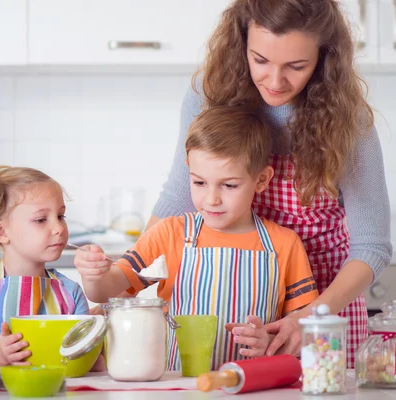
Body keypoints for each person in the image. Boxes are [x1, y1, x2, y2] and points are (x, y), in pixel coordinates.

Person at [148, 0, 392, 368]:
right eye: (260, 60)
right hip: (238, 305)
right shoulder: (208, 94)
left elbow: (372, 245)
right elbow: (178, 199)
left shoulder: (347, 119)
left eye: (296, 66)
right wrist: (119, 290)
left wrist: (309, 317)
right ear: (241, 42)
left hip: (323, 305)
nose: (275, 82)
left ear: (324, 58)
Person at [74, 106, 319, 370]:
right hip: (177, 387)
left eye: (229, 185)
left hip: (252, 388)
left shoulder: (284, 244)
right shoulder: (169, 234)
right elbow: (103, 292)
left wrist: (269, 342)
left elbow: (305, 332)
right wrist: (93, 274)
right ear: (188, 170)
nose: (211, 199)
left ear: (261, 179)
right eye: (199, 183)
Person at [0, 165, 90, 368]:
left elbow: (86, 360)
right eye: (41, 219)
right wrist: (1, 353)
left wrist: (99, 337)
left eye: (61, 216)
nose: (59, 228)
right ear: (1, 231)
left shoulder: (71, 292)